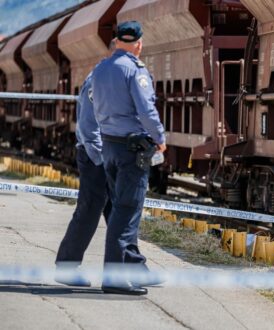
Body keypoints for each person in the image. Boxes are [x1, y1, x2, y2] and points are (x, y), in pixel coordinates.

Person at [92, 21, 166, 295]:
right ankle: (113, 277)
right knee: (127, 211)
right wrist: (159, 138)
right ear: (139, 43)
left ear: (116, 40)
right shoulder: (135, 71)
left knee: (119, 208)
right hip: (131, 149)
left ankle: (134, 268)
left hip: (108, 145)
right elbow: (146, 110)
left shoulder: (101, 69)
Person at [55, 46, 114, 287]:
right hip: (95, 157)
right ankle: (67, 267)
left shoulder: (112, 77)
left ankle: (130, 266)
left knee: (118, 211)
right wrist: (102, 159)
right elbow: (89, 128)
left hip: (109, 156)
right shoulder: (98, 80)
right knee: (90, 210)